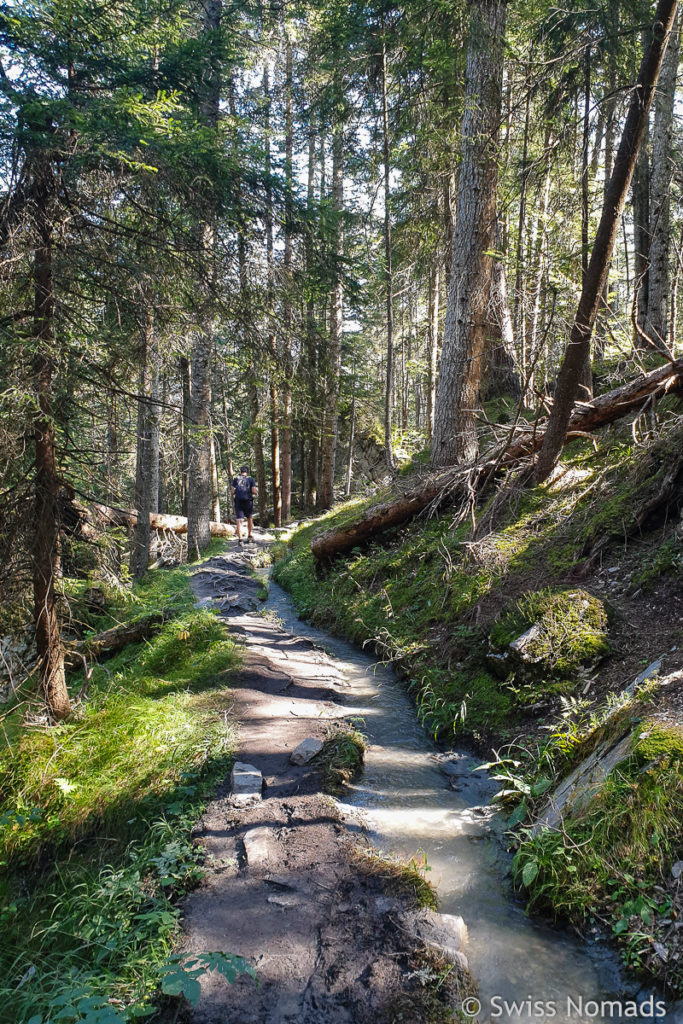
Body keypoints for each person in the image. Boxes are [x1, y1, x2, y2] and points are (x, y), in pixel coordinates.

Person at [232, 465, 257, 544]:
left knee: (239, 520)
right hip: (248, 501)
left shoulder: (236, 479)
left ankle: (240, 539)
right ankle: (249, 535)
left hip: (238, 501)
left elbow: (232, 492)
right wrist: (256, 492)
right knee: (249, 518)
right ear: (247, 472)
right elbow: (253, 491)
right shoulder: (251, 479)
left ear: (241, 472)